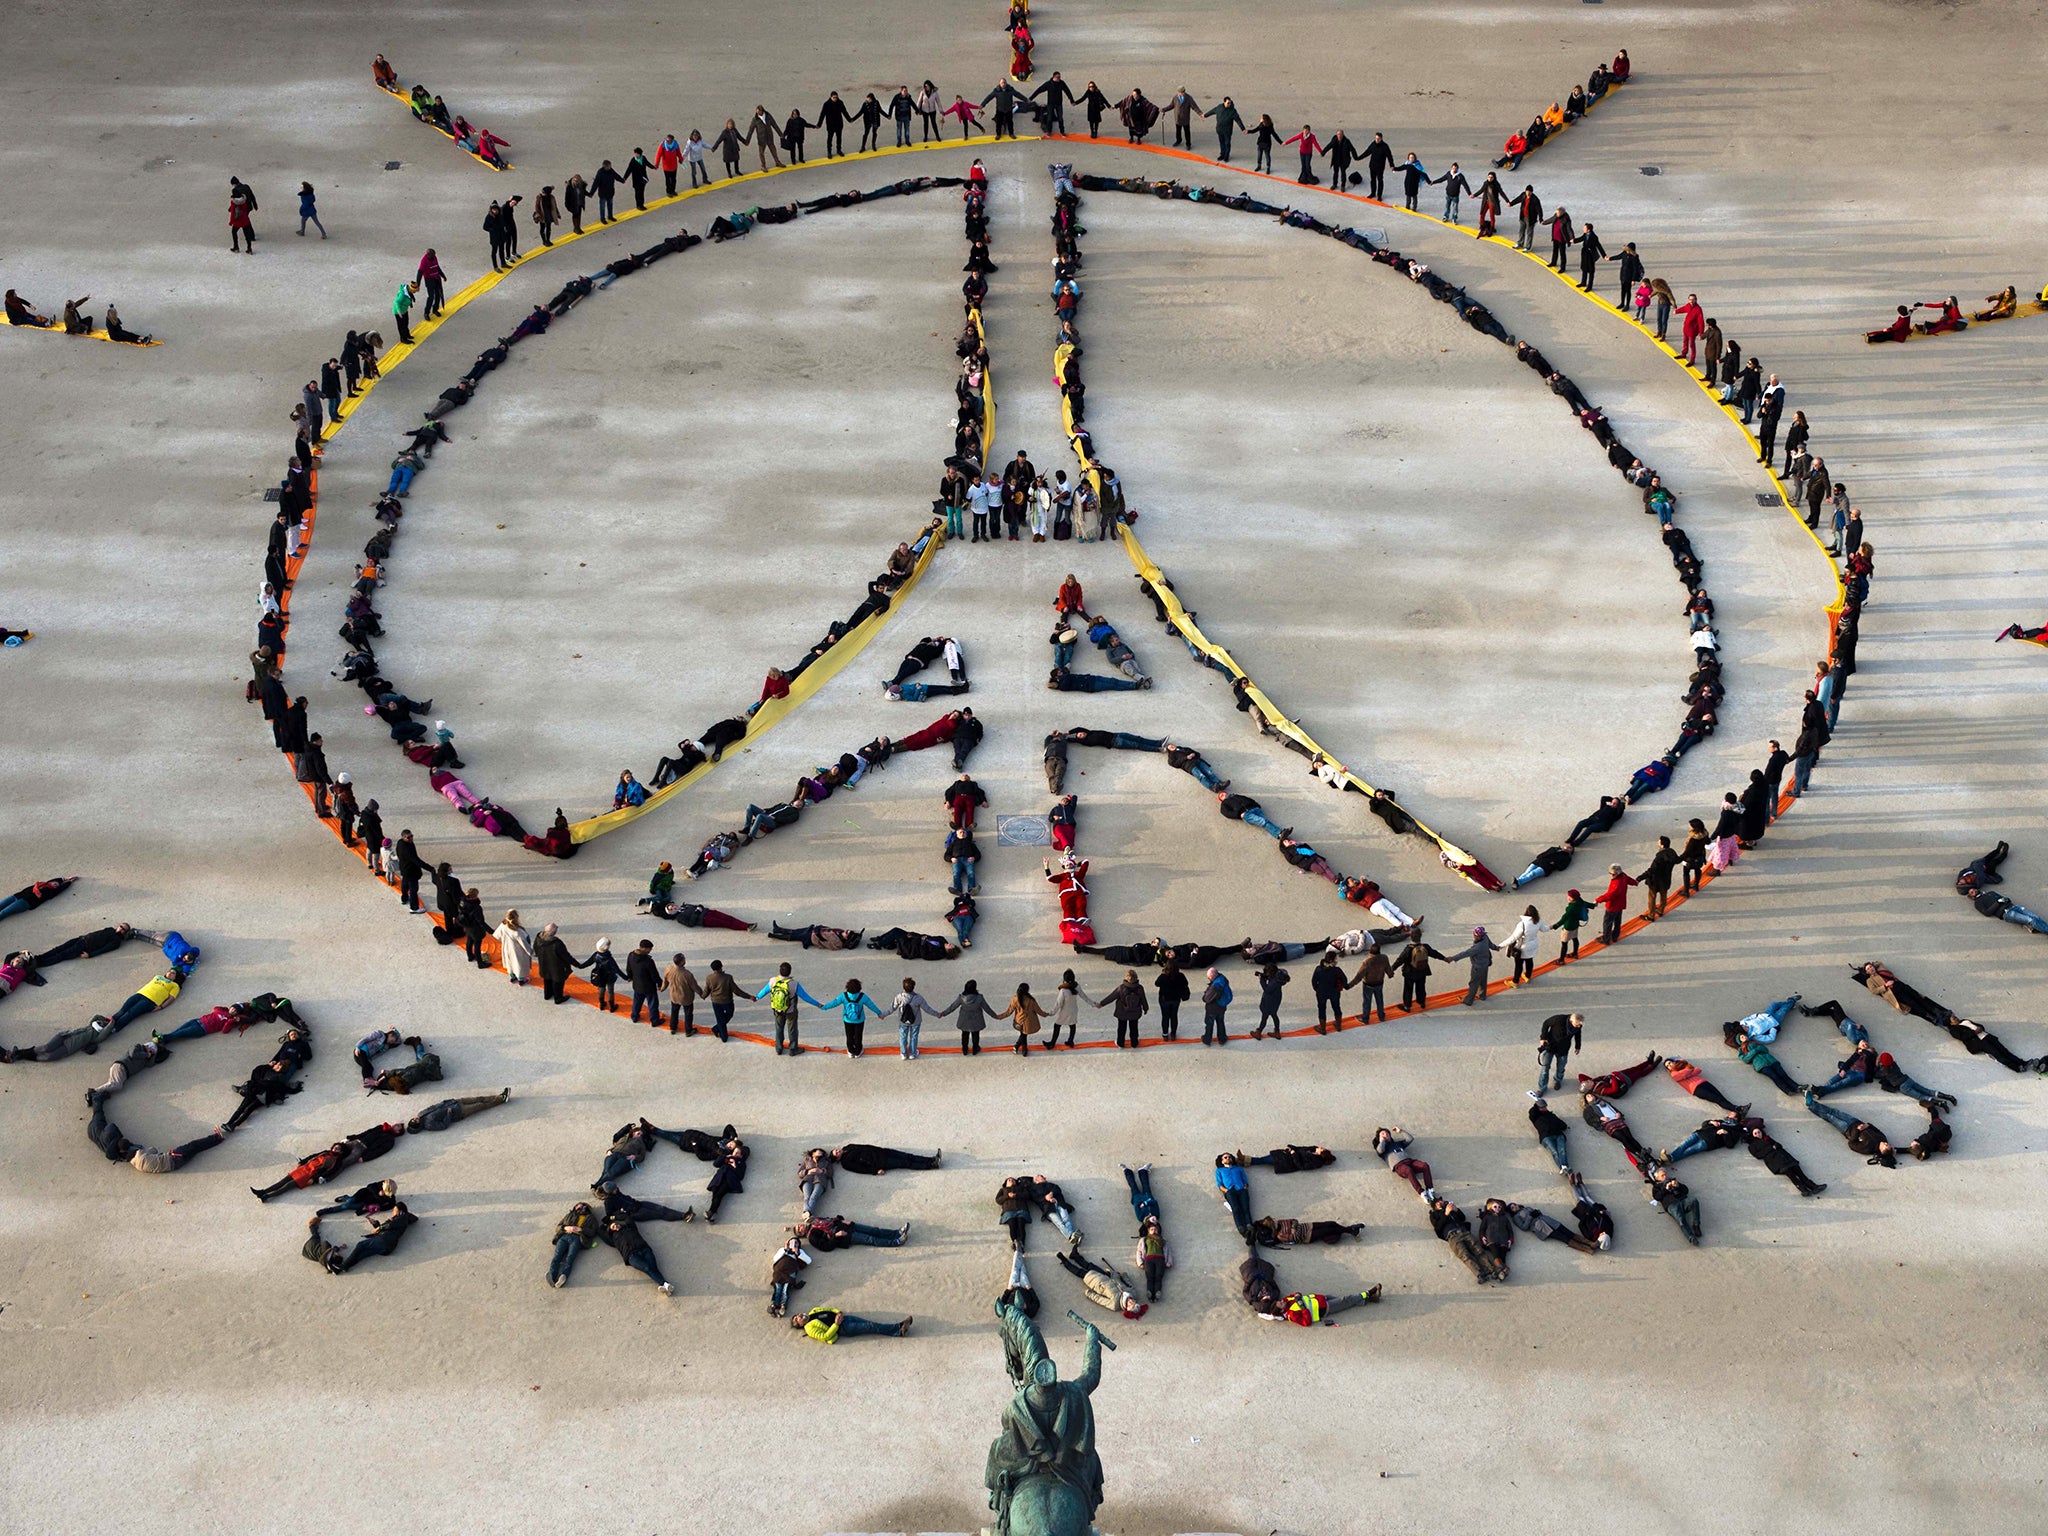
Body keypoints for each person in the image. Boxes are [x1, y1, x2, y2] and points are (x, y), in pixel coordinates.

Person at [303, 1205, 417, 1274]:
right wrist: (375, 1224)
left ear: (399, 1209)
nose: (393, 1211)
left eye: (395, 1209)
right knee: (362, 1254)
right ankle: (343, 1268)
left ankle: (343, 1266)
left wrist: (380, 1227)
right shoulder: (397, 1220)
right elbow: (385, 1228)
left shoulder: (402, 1217)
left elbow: (393, 1225)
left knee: (360, 1245)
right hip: (387, 1247)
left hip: (384, 1241)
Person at [1805, 1089, 1898, 1167]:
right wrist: (1867, 1125)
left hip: (1846, 1129)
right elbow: (1876, 1130)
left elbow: (1851, 1144)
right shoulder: (1883, 1138)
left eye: (1885, 1145)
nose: (1886, 1143)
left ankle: (1811, 1105)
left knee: (1830, 1116)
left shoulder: (1868, 1149)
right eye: (1887, 1144)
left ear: (1882, 1150)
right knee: (1834, 1111)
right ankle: (1813, 1104)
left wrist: (1858, 1130)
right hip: (1855, 1121)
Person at [756, 963, 827, 1056]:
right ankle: (793, 1049)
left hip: (777, 1010)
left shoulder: (773, 981)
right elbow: (806, 997)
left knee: (779, 1028)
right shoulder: (794, 984)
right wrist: (818, 1004)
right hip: (790, 1011)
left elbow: (763, 992)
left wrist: (756, 998)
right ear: (790, 972)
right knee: (792, 1029)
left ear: (780, 971)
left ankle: (779, 1048)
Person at [1372, 1127, 1434, 1200]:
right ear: (1379, 1138)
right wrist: (1382, 1141)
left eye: (1387, 1133)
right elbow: (1380, 1150)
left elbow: (1410, 1139)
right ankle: (1422, 1193)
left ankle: (1430, 1189)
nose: (1386, 1135)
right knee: (1408, 1170)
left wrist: (1401, 1131)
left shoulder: (1398, 1144)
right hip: (1399, 1166)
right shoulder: (1383, 1149)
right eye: (1383, 1134)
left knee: (1424, 1165)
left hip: (1410, 1161)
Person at [791, 1306, 911, 1341]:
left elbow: (829, 1309)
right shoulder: (809, 1328)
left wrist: (838, 1312)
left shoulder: (813, 1311)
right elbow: (824, 1336)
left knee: (871, 1324)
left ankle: (899, 1329)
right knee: (871, 1327)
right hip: (844, 1328)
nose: (800, 1316)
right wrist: (836, 1324)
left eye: (798, 1315)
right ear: (800, 1325)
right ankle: (898, 1329)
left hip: (845, 1318)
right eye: (797, 1319)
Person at [1447, 927, 1500, 1005]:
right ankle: (1482, 996)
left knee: (1473, 983)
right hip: (1485, 964)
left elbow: (1465, 953)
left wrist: (1453, 958)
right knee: (1483, 980)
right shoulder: (1485, 937)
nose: (1474, 936)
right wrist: (1496, 948)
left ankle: (1468, 1000)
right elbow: (1490, 944)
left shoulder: (1477, 947)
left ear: (1478, 936)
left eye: (1475, 935)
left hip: (1477, 967)